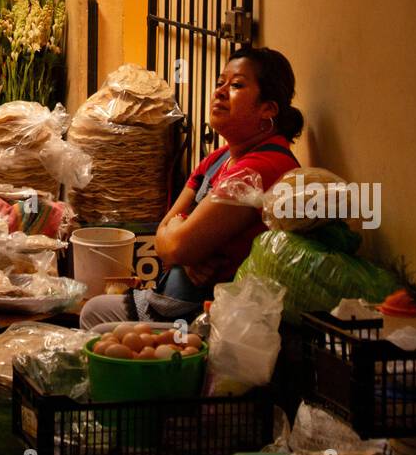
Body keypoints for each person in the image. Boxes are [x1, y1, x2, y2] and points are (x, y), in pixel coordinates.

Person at [80, 47, 303, 328]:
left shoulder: (260, 168)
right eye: (220, 83)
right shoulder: (218, 158)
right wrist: (185, 253)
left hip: (210, 318)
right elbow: (164, 238)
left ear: (267, 109)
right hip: (171, 302)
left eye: (236, 85)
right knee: (94, 309)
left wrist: (182, 246)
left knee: (96, 318)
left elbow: (174, 245)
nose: (220, 92)